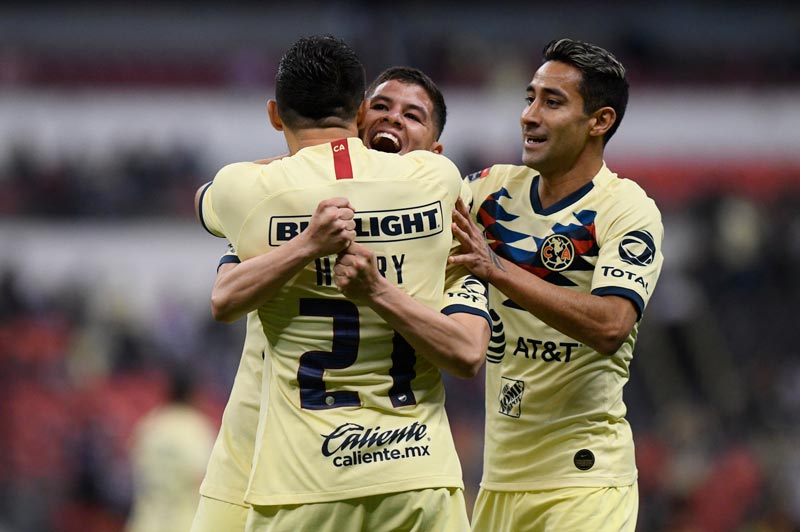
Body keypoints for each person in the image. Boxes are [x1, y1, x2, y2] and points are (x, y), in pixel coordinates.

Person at [197, 35, 489, 531]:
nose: (393, 120)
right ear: (356, 117)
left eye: (412, 116)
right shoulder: (440, 186)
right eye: (381, 107)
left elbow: (209, 199)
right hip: (262, 456)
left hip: (304, 475)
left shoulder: (258, 199)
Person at [450, 38, 664, 532]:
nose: (528, 115)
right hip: (500, 481)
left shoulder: (625, 210)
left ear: (599, 121)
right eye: (529, 98)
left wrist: (498, 270)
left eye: (552, 102)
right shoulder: (489, 191)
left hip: (584, 482)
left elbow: (611, 323)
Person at [125, 367, 215, 532]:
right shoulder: (196, 428)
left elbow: (135, 467)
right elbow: (202, 479)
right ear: (194, 394)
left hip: (145, 522)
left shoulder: (150, 425)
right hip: (182, 523)